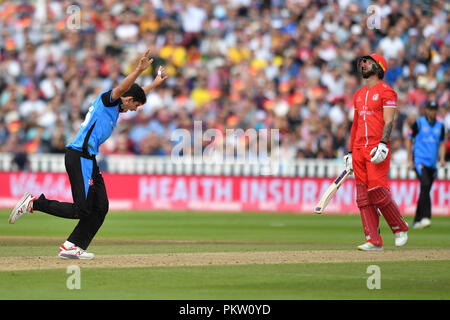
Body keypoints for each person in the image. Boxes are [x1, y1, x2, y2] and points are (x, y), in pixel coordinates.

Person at [8, 49, 168, 259]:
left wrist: (154, 84)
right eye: (136, 105)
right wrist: (138, 69)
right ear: (128, 99)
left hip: (89, 159)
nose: (136, 109)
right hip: (79, 156)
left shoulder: (118, 108)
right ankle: (34, 203)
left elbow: (134, 93)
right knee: (81, 210)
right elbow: (123, 88)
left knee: (101, 206)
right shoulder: (108, 100)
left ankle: (72, 247)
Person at [343, 53, 409, 251]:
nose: (364, 64)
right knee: (362, 196)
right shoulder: (358, 94)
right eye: (363, 61)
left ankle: (399, 227)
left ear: (379, 67)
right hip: (358, 148)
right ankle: (373, 240)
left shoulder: (387, 92)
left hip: (375, 147)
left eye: (369, 62)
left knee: (377, 191)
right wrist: (350, 151)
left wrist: (382, 143)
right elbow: (355, 125)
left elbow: (389, 121)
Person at [406, 101, 445, 229]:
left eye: (434, 109)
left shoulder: (440, 126)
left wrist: (442, 158)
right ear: (426, 110)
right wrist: (409, 159)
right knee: (425, 185)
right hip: (419, 160)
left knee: (425, 189)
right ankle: (426, 217)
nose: (432, 111)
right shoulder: (419, 123)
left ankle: (417, 220)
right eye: (430, 109)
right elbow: (409, 138)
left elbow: (442, 144)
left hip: (432, 164)